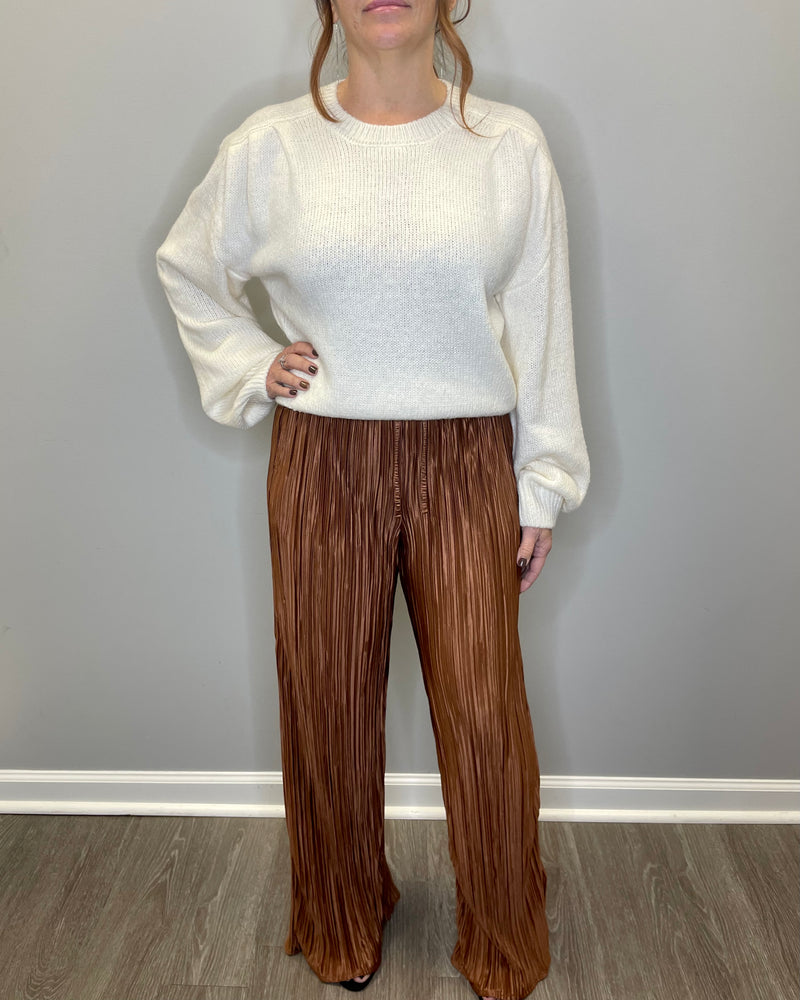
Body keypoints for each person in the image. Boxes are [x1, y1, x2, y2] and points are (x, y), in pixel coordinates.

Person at [155, 0, 590, 996]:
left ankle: (502, 932)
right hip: (324, 460)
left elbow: (541, 319)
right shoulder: (271, 147)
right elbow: (186, 264)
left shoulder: (506, 147)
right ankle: (341, 914)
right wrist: (252, 364)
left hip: (465, 459)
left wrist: (543, 480)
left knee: (483, 711)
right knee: (328, 701)